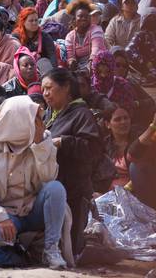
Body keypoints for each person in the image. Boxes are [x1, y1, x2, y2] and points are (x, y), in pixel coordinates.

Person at [0, 96, 69, 269]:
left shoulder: (43, 138)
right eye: (35, 118)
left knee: (56, 188)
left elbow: (49, 178)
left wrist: (40, 145)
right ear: (18, 121)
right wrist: (0, 217)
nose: (40, 123)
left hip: (34, 210)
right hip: (7, 213)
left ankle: (51, 250)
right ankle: (20, 249)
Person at [42, 68, 101, 255]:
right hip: (53, 185)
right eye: (43, 89)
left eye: (49, 88)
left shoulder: (82, 114)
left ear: (66, 87)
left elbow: (93, 149)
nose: (45, 93)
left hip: (74, 190)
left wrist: (64, 142)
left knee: (72, 246)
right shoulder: (51, 114)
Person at [64, 0, 107, 70]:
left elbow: (96, 51)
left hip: (98, 66)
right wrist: (72, 62)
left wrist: (89, 66)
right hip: (79, 69)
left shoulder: (96, 30)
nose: (84, 18)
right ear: (74, 19)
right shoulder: (70, 36)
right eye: (80, 16)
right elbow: (70, 56)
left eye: (86, 16)